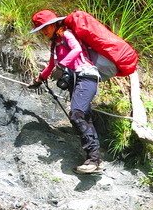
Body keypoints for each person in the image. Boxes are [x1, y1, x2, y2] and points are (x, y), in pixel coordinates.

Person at [29, 10, 103, 174]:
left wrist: (62, 66)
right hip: (77, 79)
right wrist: (40, 79)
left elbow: (76, 49)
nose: (44, 31)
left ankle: (93, 161)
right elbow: (50, 66)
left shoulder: (67, 34)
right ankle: (95, 159)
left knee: (76, 114)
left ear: (54, 24)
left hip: (86, 76)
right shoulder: (55, 43)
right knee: (84, 117)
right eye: (41, 29)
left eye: (45, 27)